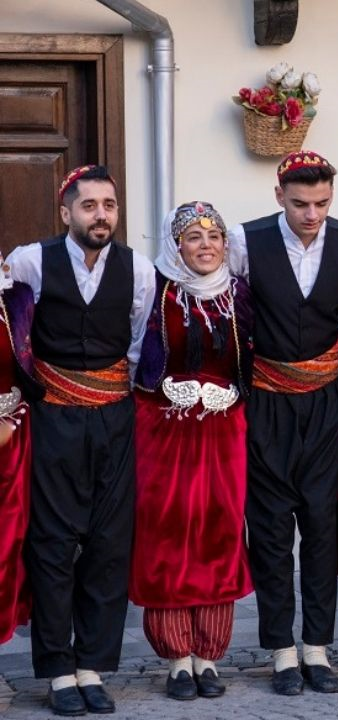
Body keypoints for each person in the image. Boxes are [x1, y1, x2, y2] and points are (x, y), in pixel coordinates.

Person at [9, 165, 156, 716]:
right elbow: (12, 332)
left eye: (109, 205)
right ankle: (57, 670)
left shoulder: (138, 269)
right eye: (89, 205)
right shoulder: (31, 261)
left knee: (108, 544)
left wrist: (114, 398)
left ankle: (92, 666)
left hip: (115, 420)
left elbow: (139, 345)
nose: (101, 215)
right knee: (52, 543)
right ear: (66, 210)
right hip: (53, 421)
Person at [227, 151, 338, 695]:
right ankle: (281, 651)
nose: (312, 215)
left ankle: (317, 648)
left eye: (322, 203)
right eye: (301, 203)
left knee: (321, 525)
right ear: (279, 195)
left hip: (327, 402)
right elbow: (232, 317)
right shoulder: (245, 241)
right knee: (269, 529)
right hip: (266, 401)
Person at [130, 201, 253, 701]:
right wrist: (166, 390)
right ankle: (178, 658)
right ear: (176, 245)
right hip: (164, 433)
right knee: (168, 534)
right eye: (193, 237)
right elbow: (135, 358)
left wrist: (234, 393)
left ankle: (209, 655)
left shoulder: (239, 295)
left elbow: (252, 360)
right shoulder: (157, 291)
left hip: (223, 433)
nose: (206, 246)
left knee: (219, 533)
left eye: (213, 236)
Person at [0, 254, 36, 649]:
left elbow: (31, 368)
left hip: (11, 442)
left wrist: (12, 421)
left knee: (6, 549)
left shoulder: (17, 298)